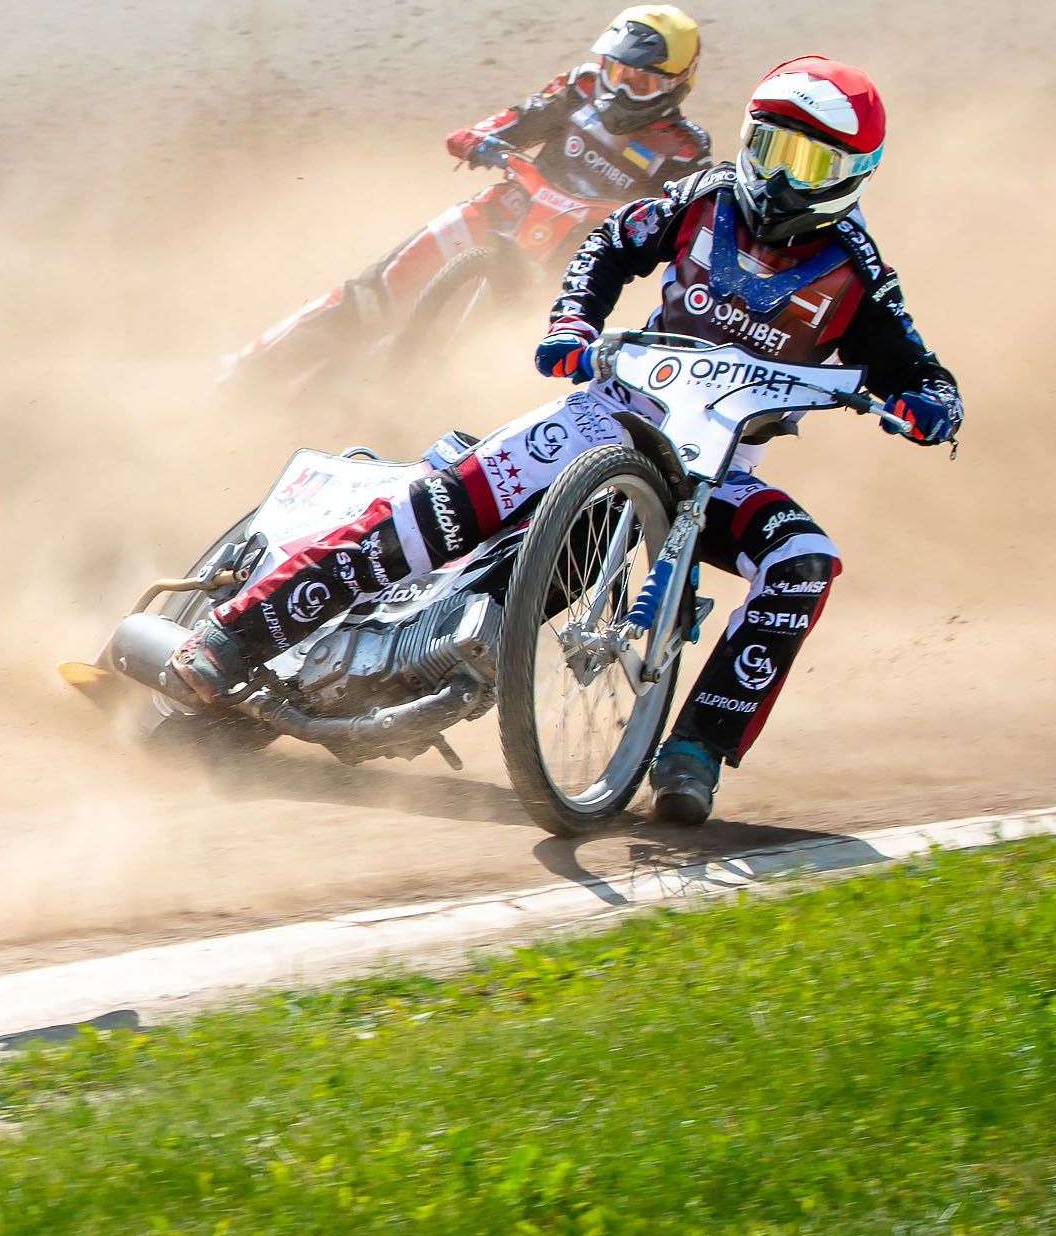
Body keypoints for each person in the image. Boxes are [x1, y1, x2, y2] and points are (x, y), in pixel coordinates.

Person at [173, 56, 960, 826]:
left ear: (853, 172)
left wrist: (929, 406)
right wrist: (573, 324)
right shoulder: (703, 196)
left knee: (801, 564)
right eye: (765, 144)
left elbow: (923, 373)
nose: (775, 175)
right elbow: (612, 241)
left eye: (805, 159)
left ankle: (697, 748)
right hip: (604, 413)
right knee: (435, 515)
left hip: (716, 470)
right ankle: (236, 635)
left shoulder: (859, 273)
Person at [251, 5, 716, 355]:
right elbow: (514, 121)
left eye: (641, 82)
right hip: (501, 209)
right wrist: (477, 139)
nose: (619, 89)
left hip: (570, 260)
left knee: (507, 355)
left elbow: (680, 225)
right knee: (376, 292)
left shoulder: (684, 149)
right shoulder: (580, 87)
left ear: (677, 84)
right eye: (616, 72)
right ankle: (252, 365)